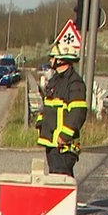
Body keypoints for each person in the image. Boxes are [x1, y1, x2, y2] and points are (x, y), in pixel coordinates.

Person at [36, 43, 88, 177]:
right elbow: (48, 106)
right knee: (55, 177)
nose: (50, 60)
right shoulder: (55, 80)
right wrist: (40, 125)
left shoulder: (75, 83)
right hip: (52, 142)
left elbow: (78, 112)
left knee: (62, 177)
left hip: (64, 144)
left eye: (53, 57)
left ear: (60, 60)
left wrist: (64, 136)